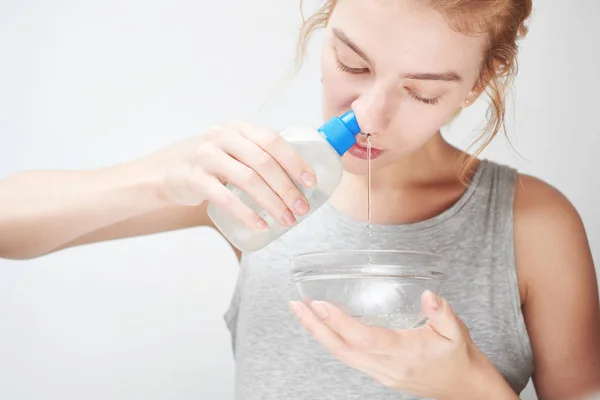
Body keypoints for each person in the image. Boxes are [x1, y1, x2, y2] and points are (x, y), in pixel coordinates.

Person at [1, 0, 599, 398]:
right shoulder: (267, 181)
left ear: (482, 80)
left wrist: (471, 387)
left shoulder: (533, 226)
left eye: (420, 93)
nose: (368, 117)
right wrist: (162, 175)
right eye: (351, 62)